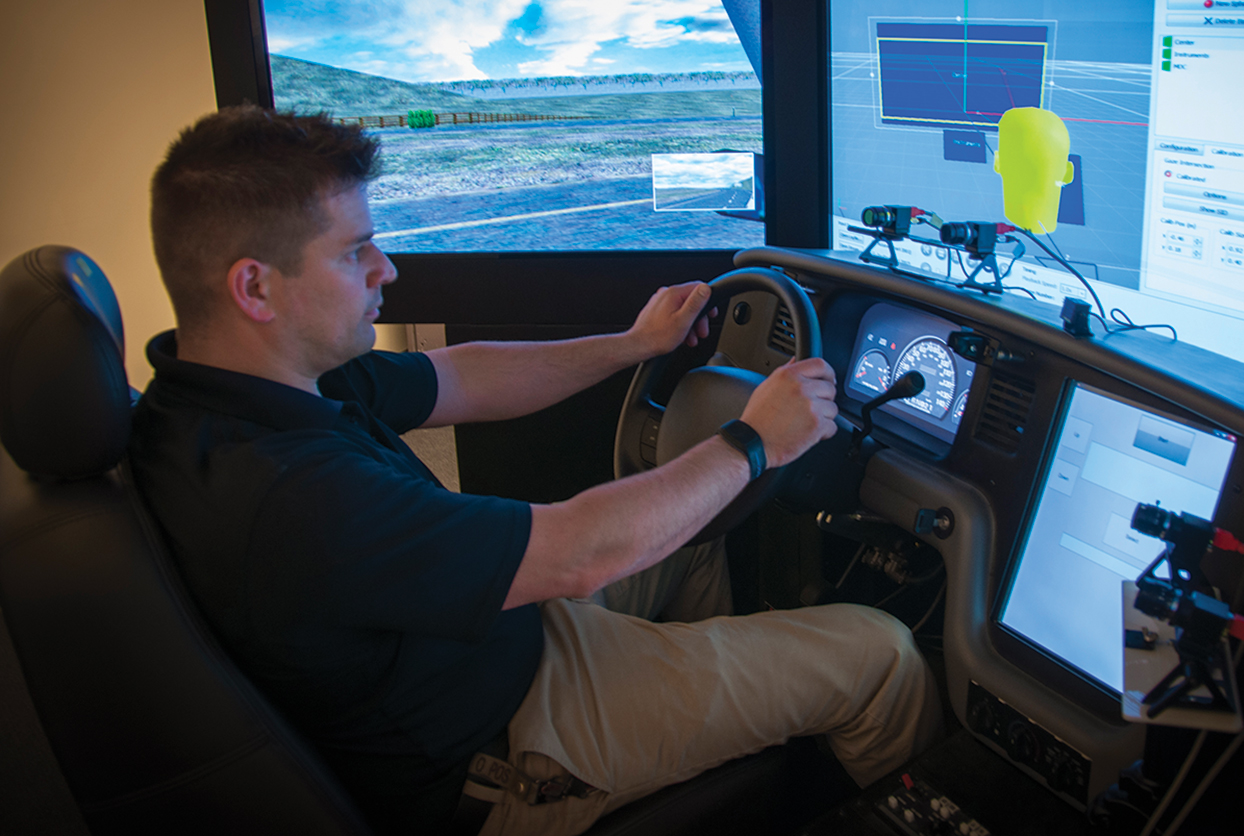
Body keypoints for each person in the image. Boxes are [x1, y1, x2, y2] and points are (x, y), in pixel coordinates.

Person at [128, 105, 942, 836]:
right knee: (879, 653)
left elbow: (464, 376)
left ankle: (720, 737)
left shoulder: (234, 387)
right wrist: (755, 440)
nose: (387, 270)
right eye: (353, 253)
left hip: (484, 643)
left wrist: (635, 345)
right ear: (255, 287)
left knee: (692, 529)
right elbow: (576, 553)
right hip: (509, 746)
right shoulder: (283, 495)